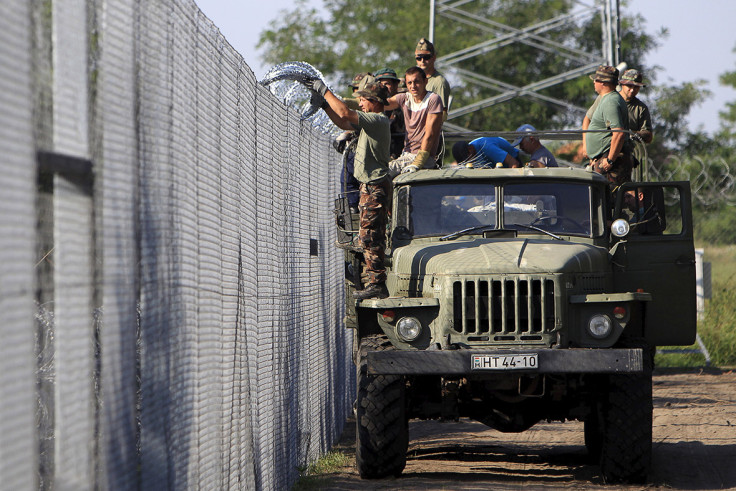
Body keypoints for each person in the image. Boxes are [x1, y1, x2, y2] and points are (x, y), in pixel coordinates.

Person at [303, 78, 392, 300]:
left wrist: (324, 91)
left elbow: (344, 113)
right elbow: (343, 123)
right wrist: (324, 105)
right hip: (369, 185)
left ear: (374, 101)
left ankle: (377, 284)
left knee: (370, 236)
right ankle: (375, 280)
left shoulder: (377, 120)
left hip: (374, 185)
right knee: (368, 236)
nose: (360, 104)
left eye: (363, 100)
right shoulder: (371, 122)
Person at [384, 66, 444, 176]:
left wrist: (418, 162)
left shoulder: (433, 99)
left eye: (417, 82)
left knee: (381, 172)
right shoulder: (405, 98)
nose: (413, 86)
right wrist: (346, 103)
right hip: (406, 155)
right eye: (409, 83)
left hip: (424, 158)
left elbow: (430, 134)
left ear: (425, 81)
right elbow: (380, 105)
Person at [583, 65, 631, 188]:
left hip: (612, 163)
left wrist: (610, 160)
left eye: (596, 80)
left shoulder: (611, 102)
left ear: (604, 83)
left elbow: (619, 133)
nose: (594, 82)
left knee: (610, 200)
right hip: (603, 158)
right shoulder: (605, 99)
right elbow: (587, 119)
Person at [414, 38, 452, 119]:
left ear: (434, 58)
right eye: (419, 58)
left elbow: (442, 114)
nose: (422, 61)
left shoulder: (439, 82)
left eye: (426, 57)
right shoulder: (414, 80)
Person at [374, 68, 406, 159]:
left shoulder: (403, 105)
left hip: (398, 157)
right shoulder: (373, 107)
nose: (383, 87)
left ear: (396, 85)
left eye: (387, 84)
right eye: (380, 84)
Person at [619, 69, 653, 144]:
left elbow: (648, 136)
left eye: (636, 87)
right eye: (629, 86)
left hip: (627, 150)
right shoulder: (609, 100)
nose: (632, 90)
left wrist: (634, 134)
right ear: (622, 84)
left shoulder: (641, 108)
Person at [451, 137, 521, 168]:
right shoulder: (471, 151)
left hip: (512, 163)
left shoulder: (486, 146)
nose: (469, 162)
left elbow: (514, 163)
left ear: (471, 149)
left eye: (468, 159)